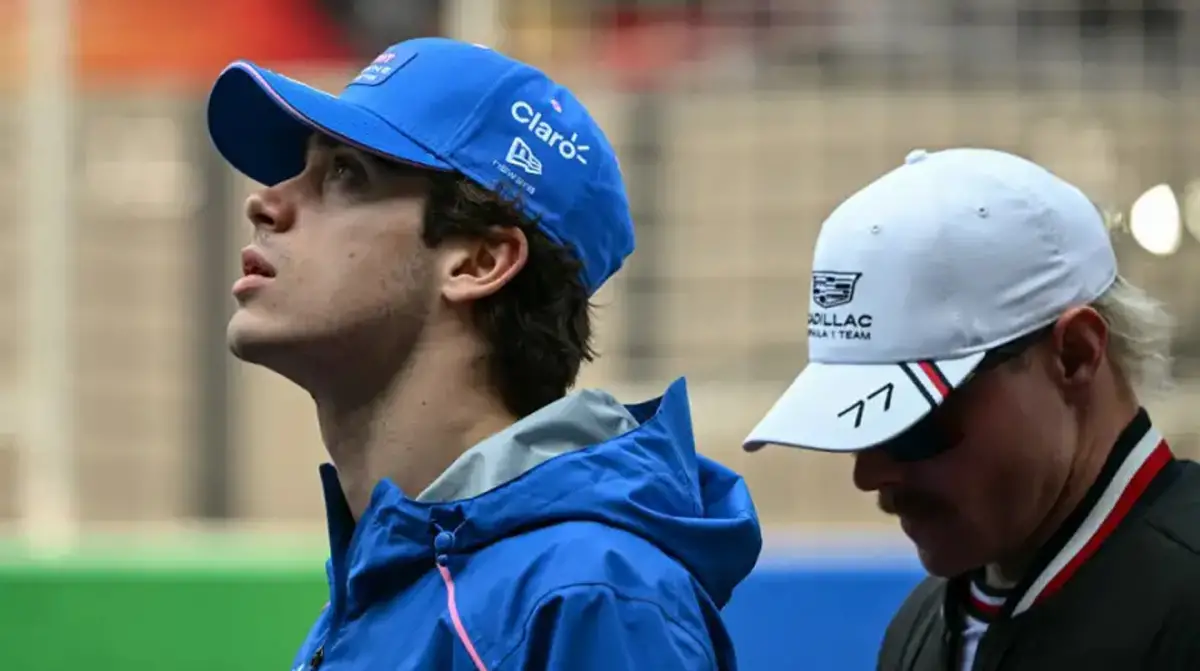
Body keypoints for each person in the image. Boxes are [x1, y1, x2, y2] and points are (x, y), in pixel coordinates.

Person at [206, 37, 762, 671]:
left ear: (479, 262)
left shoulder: (588, 597)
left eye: (344, 174)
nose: (264, 200)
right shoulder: (391, 586)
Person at [742, 147, 1200, 670]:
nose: (870, 474)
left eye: (916, 423)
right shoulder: (924, 627)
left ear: (1075, 355)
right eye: (859, 426)